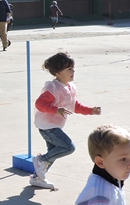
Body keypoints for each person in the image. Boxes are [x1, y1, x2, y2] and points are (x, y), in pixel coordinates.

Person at [31, 51, 102, 190]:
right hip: (47, 126)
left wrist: (91, 110)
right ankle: (41, 160)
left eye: (73, 68)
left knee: (54, 152)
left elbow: (74, 106)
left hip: (55, 125)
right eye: (69, 69)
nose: (73, 71)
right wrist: (56, 110)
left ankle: (37, 177)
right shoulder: (52, 88)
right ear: (58, 73)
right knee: (68, 147)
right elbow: (39, 104)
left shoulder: (70, 87)